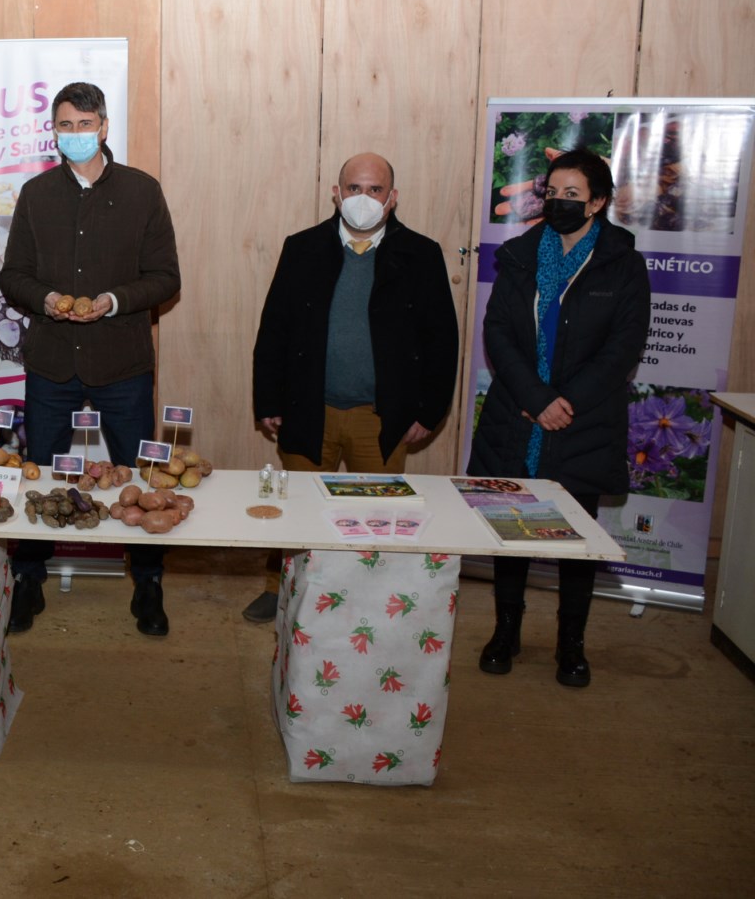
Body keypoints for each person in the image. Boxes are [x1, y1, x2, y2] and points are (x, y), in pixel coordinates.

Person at [245, 153, 459, 622]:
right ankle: (279, 591)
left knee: (377, 522)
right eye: (355, 188)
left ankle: (369, 601)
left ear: (392, 197)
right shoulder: (302, 248)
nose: (364, 198)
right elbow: (274, 328)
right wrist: (268, 399)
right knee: (297, 515)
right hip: (308, 409)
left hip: (381, 418)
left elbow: (442, 340)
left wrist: (429, 411)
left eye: (375, 189)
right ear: (336, 194)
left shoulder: (421, 254)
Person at [0, 82, 181, 636]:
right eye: (65, 125)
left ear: (103, 127)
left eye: (84, 124)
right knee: (40, 474)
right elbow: (13, 276)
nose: (75, 134)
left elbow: (165, 278)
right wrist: (47, 299)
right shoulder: (35, 195)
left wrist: (113, 300)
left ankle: (148, 583)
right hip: (51, 364)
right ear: (53, 131)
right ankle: (29, 576)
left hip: (122, 364)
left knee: (142, 476)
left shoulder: (142, 191)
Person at [469, 148, 649, 688]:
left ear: (597, 202)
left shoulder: (623, 263)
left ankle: (571, 643)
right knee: (511, 531)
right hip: (517, 415)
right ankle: (506, 630)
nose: (559, 202)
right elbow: (498, 330)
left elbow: (623, 348)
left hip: (582, 420)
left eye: (573, 194)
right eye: (552, 193)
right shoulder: (520, 255)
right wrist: (534, 397)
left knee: (577, 541)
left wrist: (563, 402)